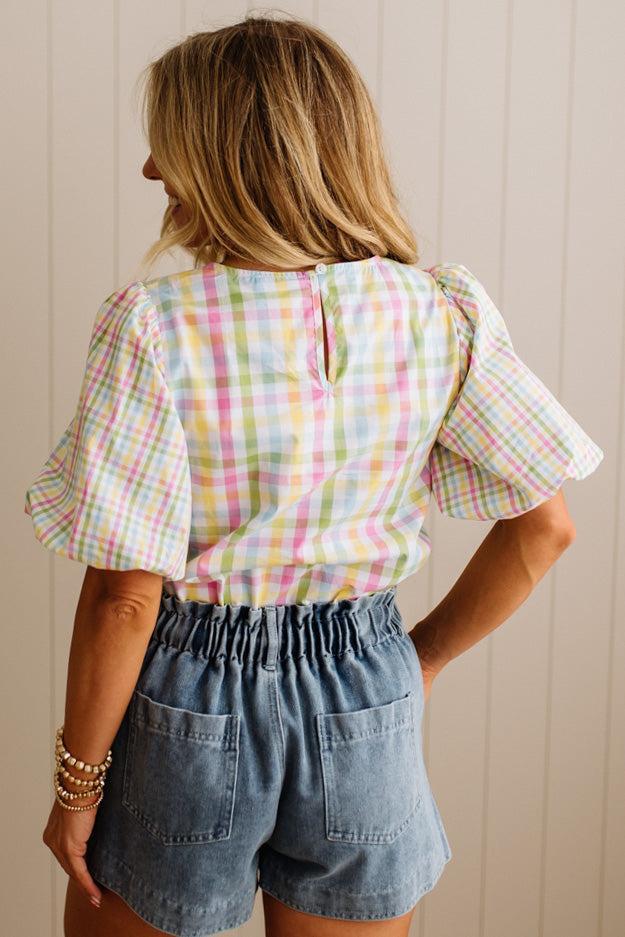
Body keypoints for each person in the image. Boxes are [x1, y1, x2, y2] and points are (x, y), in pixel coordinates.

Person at [24, 13, 604, 937]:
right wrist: (416, 660)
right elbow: (547, 526)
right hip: (365, 687)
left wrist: (75, 788)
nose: (150, 171)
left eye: (165, 144)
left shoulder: (153, 324)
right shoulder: (437, 310)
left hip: (193, 702)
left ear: (219, 152)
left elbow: (125, 597)